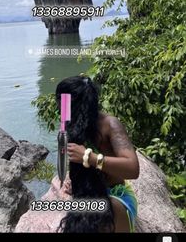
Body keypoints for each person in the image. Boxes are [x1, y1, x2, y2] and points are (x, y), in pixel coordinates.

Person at [56, 76, 139, 233]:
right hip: (89, 195)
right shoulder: (75, 126)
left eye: (62, 105)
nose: (59, 110)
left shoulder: (109, 124)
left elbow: (132, 169)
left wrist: (90, 157)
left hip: (115, 197)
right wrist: (72, 179)